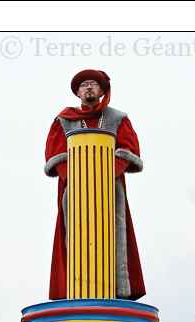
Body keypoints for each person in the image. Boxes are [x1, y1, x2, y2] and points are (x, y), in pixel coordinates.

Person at [45, 69, 145, 301]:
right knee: (74, 235)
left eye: (93, 84)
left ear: (101, 91)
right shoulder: (63, 120)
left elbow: (127, 149)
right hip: (74, 189)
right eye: (84, 84)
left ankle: (117, 289)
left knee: (113, 232)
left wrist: (103, 177)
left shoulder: (118, 118)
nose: (88, 87)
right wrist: (78, 181)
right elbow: (57, 155)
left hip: (109, 188)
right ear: (77, 92)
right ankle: (73, 289)